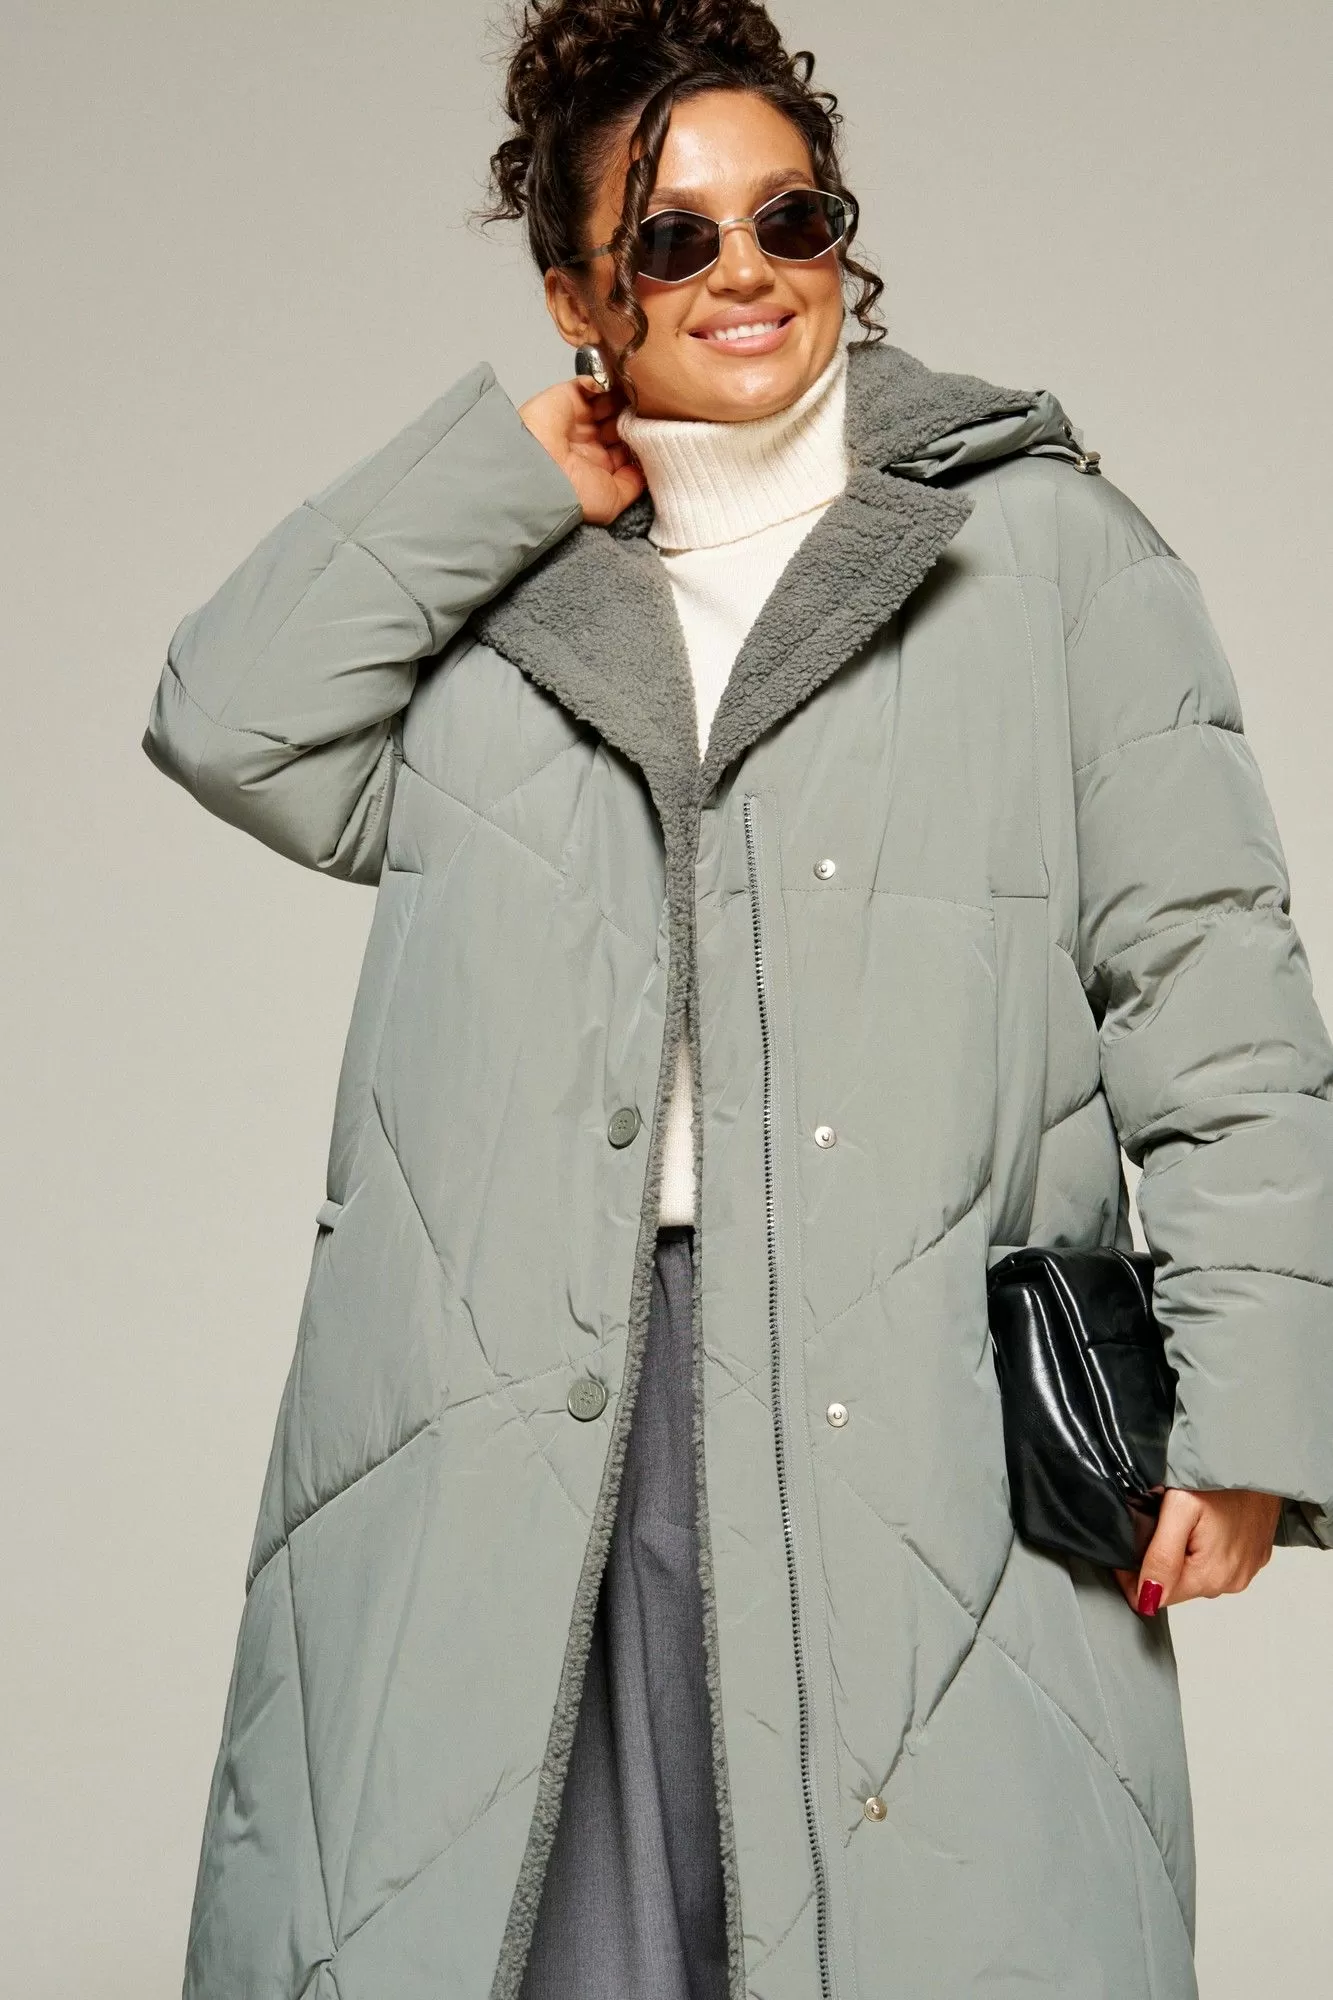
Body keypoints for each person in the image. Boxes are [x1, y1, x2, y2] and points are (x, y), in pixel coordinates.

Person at [142, 3, 1333, 1997]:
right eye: (672, 240)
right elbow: (229, 718)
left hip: (909, 1405)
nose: (748, 273)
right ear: (575, 296)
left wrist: (1252, 1412)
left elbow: (1214, 984)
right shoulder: (498, 606)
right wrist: (496, 471)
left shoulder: (1047, 552)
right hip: (533, 1411)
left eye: (792, 216)